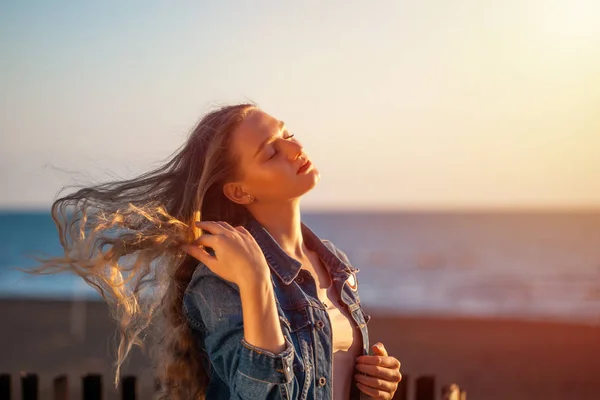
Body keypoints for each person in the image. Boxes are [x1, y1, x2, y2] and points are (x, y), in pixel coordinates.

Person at [37, 104, 402, 399]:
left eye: (287, 134)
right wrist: (256, 279)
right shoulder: (220, 277)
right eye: (272, 152)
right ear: (239, 192)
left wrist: (376, 384)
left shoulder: (333, 261)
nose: (295, 148)